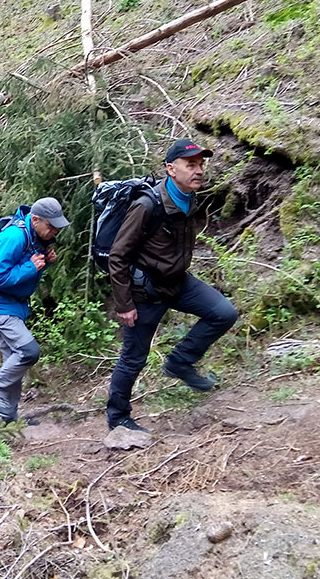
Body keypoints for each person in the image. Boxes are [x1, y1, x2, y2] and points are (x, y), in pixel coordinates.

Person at [105, 139, 239, 432]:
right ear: (170, 169)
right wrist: (124, 304)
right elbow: (118, 255)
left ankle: (179, 362)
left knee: (223, 313)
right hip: (146, 292)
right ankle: (118, 418)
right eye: (191, 165)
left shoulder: (189, 198)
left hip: (178, 282)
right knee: (133, 359)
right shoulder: (147, 205)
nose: (199, 170)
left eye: (200, 164)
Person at [0, 197, 69, 422]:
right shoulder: (14, 237)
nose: (55, 231)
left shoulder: (34, 235)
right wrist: (31, 267)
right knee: (28, 351)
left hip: (15, 304)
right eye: (51, 226)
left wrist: (45, 262)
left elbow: (24, 265)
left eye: (57, 227)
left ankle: (8, 418)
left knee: (13, 360)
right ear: (35, 219)